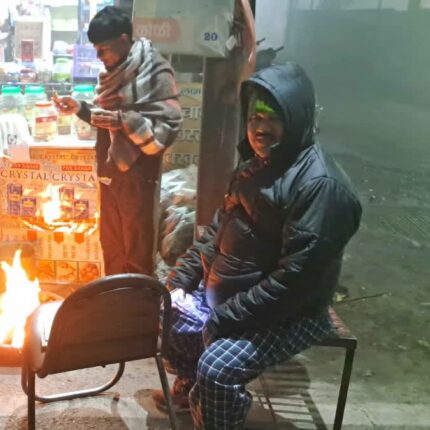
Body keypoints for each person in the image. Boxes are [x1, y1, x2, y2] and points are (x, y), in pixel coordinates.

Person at [153, 63, 362, 429]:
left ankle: (216, 414)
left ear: (297, 119)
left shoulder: (321, 187)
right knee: (165, 310)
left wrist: (225, 318)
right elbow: (215, 232)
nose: (261, 128)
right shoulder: (257, 165)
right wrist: (179, 281)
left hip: (291, 313)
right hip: (233, 299)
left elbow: (295, 282)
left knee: (218, 368)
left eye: (274, 118)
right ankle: (189, 385)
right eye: (255, 118)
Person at [54, 6, 183, 276]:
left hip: (137, 177)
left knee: (136, 251)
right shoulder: (115, 72)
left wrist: (124, 121)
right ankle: (115, 296)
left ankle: (137, 301)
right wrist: (79, 108)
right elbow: (108, 120)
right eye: (96, 49)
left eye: (103, 49)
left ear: (123, 40)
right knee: (111, 246)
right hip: (110, 173)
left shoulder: (156, 72)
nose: (99, 57)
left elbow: (167, 128)